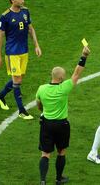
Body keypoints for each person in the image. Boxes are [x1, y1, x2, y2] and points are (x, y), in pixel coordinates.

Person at [36, 46, 90, 184]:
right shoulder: (64, 87)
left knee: (45, 154)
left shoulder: (42, 89)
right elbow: (77, 73)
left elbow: (38, 104)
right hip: (62, 125)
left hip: (46, 124)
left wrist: (43, 109)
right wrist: (84, 56)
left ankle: (42, 181)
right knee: (61, 152)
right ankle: (58, 179)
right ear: (60, 78)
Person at [0, 0, 42, 119]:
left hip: (24, 51)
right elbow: (0, 36)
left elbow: (31, 29)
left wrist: (36, 45)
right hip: (12, 53)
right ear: (12, 0)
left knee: (19, 79)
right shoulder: (5, 16)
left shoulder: (25, 12)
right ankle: (22, 110)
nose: (22, 1)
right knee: (16, 81)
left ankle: (0, 96)